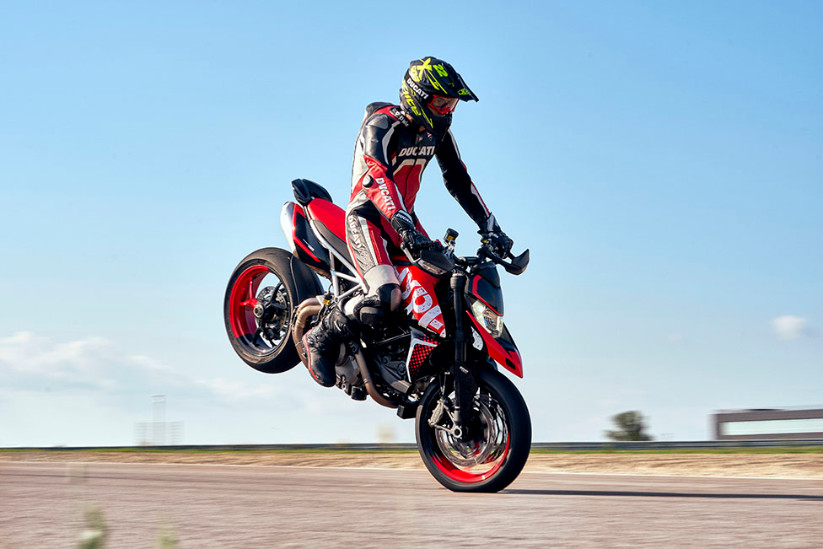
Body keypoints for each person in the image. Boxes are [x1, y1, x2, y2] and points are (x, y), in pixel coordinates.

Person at [302, 56, 514, 387]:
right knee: (386, 295)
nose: (447, 111)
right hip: (368, 219)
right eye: (441, 103)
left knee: (445, 285)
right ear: (417, 97)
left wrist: (491, 228)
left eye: (451, 104)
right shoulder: (381, 125)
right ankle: (320, 337)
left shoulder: (438, 134)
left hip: (405, 223)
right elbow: (377, 178)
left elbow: (459, 180)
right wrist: (404, 227)